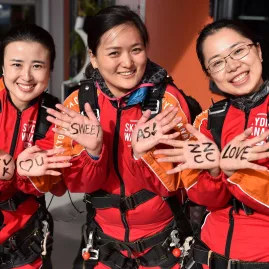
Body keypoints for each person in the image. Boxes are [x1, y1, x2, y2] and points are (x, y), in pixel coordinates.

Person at [45, 5, 197, 269]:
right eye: (114, 53)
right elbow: (78, 185)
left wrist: (142, 155)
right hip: (103, 244)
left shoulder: (167, 102)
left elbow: (174, 185)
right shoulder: (78, 106)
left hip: (163, 243)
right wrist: (93, 152)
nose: (127, 63)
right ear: (93, 57)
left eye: (136, 50)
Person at [150, 19, 269, 269]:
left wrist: (235, 173)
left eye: (238, 51)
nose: (233, 66)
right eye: (217, 63)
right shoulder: (206, 122)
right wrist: (214, 172)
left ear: (258, 50)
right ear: (209, 74)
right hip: (208, 258)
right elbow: (204, 199)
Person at [0, 24, 72, 269]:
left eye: (37, 66)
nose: (27, 77)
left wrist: (17, 171)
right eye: (17, 64)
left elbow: (56, 183)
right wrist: (19, 170)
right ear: (2, 66)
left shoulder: (55, 114)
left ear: (50, 70)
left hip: (26, 237)